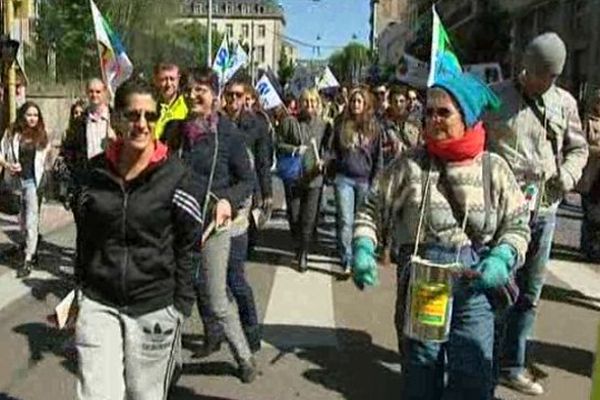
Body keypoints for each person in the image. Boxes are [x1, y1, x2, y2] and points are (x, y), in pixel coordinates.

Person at [353, 72, 531, 399]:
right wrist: (364, 245)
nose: (433, 119)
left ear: (466, 116)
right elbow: (370, 208)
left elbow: (519, 224)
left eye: (443, 112)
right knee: (422, 371)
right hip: (425, 285)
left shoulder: (494, 167)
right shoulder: (409, 164)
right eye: (429, 112)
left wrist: (504, 257)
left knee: (473, 376)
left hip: (475, 285)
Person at [73, 77, 203, 400]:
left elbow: (189, 243)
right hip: (99, 303)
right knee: (96, 394)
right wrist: (80, 290)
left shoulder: (176, 176)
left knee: (143, 395)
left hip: (155, 308)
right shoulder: (94, 175)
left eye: (150, 116)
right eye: (133, 115)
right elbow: (85, 237)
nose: (142, 124)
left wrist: (181, 306)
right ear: (116, 118)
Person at [484, 32, 588, 396]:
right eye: (536, 73)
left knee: (529, 292)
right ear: (524, 66)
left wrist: (568, 175)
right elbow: (474, 145)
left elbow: (579, 149)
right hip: (503, 212)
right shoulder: (496, 96)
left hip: (544, 210)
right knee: (498, 289)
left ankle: (512, 364)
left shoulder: (564, 104)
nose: (542, 81)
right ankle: (484, 363)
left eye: (550, 76)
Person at [162, 67, 257, 382]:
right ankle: (171, 365)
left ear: (215, 95)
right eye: (188, 90)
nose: (192, 96)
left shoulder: (227, 133)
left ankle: (243, 356)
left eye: (200, 90)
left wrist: (227, 201)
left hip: (213, 226)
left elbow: (248, 180)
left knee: (216, 300)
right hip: (177, 224)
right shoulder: (174, 131)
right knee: (175, 296)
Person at [219, 78, 272, 352]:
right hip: (216, 205)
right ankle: (215, 332)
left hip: (241, 206)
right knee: (210, 277)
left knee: (235, 277)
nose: (233, 100)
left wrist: (266, 196)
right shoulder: (215, 124)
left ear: (246, 97)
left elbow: (262, 163)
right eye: (229, 95)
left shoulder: (257, 126)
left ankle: (251, 330)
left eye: (238, 95)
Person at [276, 88, 330, 272]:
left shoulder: (324, 125)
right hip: (294, 177)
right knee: (294, 216)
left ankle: (303, 254)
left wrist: (324, 160)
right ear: (300, 104)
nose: (310, 105)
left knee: (308, 219)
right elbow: (279, 144)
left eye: (313, 102)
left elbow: (329, 149)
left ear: (318, 104)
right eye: (306, 101)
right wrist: (293, 150)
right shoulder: (290, 123)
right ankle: (298, 246)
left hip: (314, 178)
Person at [331, 86, 382, 275]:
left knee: (361, 222)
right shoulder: (341, 124)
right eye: (353, 101)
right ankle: (347, 259)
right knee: (345, 220)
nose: (355, 104)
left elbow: (378, 157)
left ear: (365, 103)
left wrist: (376, 180)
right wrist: (330, 166)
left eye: (359, 101)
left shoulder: (374, 126)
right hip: (343, 179)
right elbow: (332, 150)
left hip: (364, 180)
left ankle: (361, 254)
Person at [0, 102, 50, 278]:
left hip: (32, 183)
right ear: (23, 115)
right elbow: (1, 153)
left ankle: (28, 258)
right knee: (21, 219)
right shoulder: (11, 133)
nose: (32, 118)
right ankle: (28, 247)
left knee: (31, 220)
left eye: (36, 115)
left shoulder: (42, 136)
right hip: (15, 182)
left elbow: (44, 163)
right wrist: (7, 164)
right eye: (29, 115)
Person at [577, 89, 600, 260]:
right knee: (590, 213)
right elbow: (581, 146)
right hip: (592, 173)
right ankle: (587, 246)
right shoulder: (588, 122)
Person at [153, 62, 188, 139]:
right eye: (164, 79)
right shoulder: (150, 106)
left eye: (172, 79)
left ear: (178, 79)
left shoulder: (187, 106)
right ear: (156, 80)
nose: (168, 84)